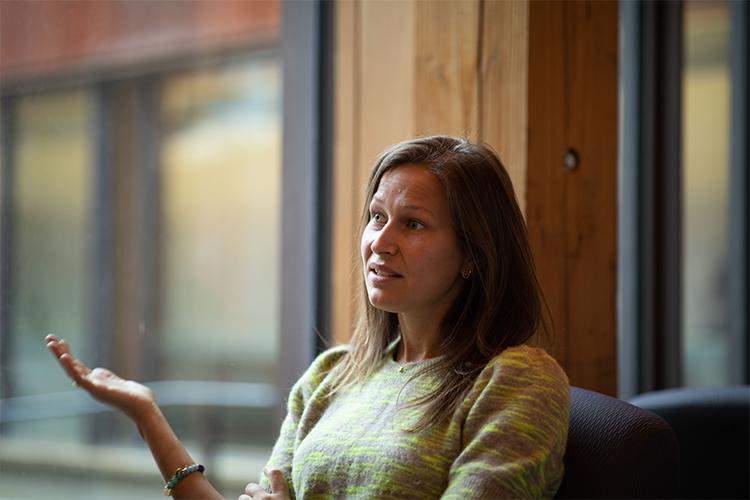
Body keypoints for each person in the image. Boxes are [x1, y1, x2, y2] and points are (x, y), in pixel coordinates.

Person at [47, 135, 569, 499]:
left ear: (474, 255)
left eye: (413, 224)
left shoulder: (517, 380)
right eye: (377, 217)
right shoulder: (331, 375)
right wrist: (147, 417)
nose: (380, 243)